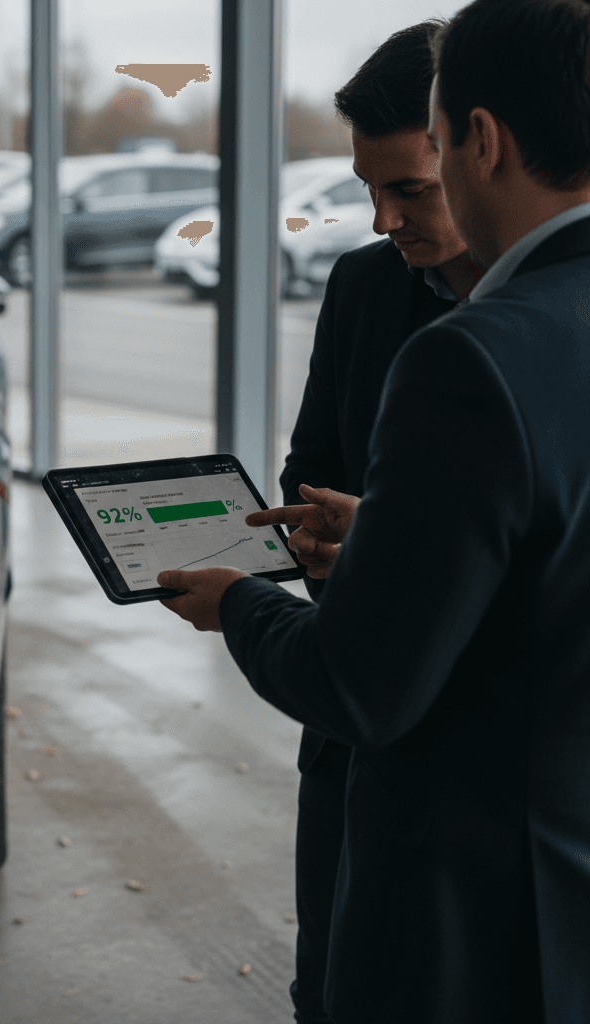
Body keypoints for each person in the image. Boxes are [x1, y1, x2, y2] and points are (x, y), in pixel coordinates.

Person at [157, 0, 590, 1020]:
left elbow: (358, 687)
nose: (389, 217)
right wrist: (392, 539)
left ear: (477, 142)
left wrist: (239, 604)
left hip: (463, 898)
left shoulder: (471, 357)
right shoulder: (411, 305)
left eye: (424, 162)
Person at [272, 22, 484, 1024]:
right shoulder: (361, 284)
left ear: (480, 152)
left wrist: (397, 540)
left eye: (409, 190)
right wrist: (338, 539)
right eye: (369, 190)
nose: (384, 218)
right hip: (352, 738)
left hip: (490, 765)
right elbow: (309, 466)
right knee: (332, 988)